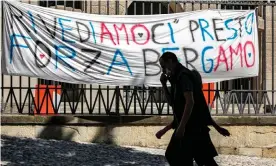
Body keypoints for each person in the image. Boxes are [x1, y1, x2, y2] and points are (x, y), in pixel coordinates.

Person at [156, 52, 230, 166]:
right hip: (189, 128)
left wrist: (181, 127)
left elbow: (191, 103)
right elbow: (174, 105)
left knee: (191, 158)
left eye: (163, 66)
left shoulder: (183, 76)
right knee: (184, 158)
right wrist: (164, 84)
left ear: (170, 61)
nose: (163, 70)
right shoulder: (175, 78)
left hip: (193, 129)